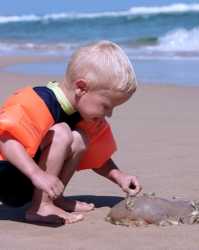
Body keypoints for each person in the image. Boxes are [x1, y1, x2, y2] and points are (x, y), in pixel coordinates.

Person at [0, 40, 141, 225]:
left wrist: (119, 176)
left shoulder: (83, 115)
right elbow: (6, 139)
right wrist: (36, 174)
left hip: (37, 183)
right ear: (81, 88)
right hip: (7, 177)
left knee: (79, 138)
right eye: (106, 106)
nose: (109, 114)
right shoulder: (39, 100)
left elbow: (97, 155)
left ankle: (52, 200)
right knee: (63, 132)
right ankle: (41, 206)